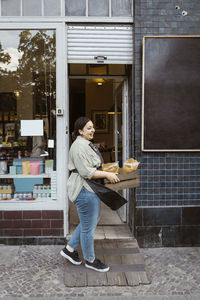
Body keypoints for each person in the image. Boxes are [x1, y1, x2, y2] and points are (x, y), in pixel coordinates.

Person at [60, 116, 120, 272]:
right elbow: (87, 172)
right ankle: (90, 260)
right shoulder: (79, 146)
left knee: (89, 222)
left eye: (93, 127)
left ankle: (69, 249)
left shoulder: (84, 144)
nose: (92, 130)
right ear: (80, 131)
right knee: (88, 228)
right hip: (84, 188)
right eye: (88, 128)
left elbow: (90, 157)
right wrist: (107, 174)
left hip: (88, 188)